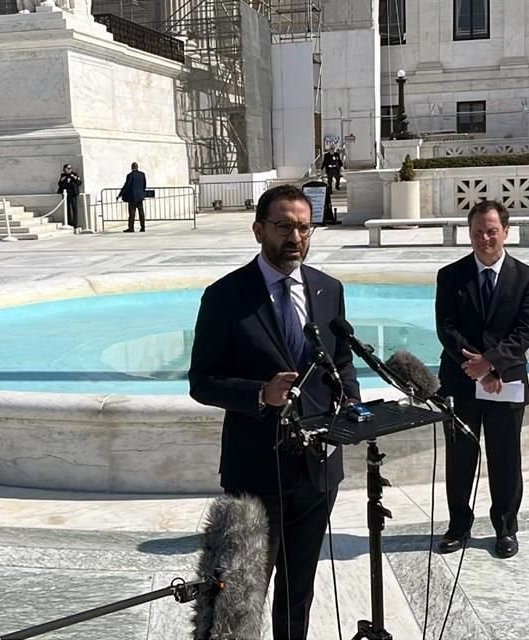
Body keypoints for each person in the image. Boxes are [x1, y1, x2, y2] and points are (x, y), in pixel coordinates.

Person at [188, 184, 360, 640]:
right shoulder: (226, 296)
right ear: (259, 230)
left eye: (304, 227)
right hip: (255, 472)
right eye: (284, 226)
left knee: (297, 592)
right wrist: (260, 394)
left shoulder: (328, 289)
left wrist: (352, 408)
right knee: (241, 597)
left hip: (318, 470)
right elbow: (202, 383)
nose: (295, 237)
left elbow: (342, 362)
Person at [434, 199, 529, 559]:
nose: (485, 239)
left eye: (492, 231)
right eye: (478, 232)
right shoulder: (450, 276)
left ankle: (506, 528)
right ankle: (458, 525)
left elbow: (525, 332)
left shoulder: (527, 278)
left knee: (505, 458)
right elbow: (445, 328)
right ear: (470, 233)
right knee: (460, 457)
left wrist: (491, 365)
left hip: (505, 382)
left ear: (506, 232)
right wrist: (475, 367)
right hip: (461, 381)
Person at [117, 161, 147, 232]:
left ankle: (131, 228)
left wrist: (120, 195)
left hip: (132, 197)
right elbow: (144, 185)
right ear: (137, 167)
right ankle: (143, 227)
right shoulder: (142, 174)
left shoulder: (130, 175)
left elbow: (126, 186)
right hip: (140, 197)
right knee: (141, 213)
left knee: (132, 213)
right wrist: (141, 193)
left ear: (131, 168)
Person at [56, 164, 82, 230]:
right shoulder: (63, 175)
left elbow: (79, 183)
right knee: (67, 209)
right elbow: (59, 184)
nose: (69, 169)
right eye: (68, 168)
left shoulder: (74, 174)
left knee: (74, 208)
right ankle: (69, 223)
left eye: (70, 168)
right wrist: (62, 180)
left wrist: (74, 178)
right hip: (66, 194)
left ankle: (75, 224)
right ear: (64, 169)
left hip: (73, 194)